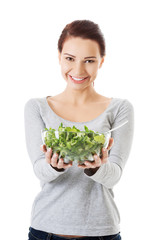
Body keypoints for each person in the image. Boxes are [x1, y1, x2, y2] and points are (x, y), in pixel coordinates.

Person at [24, 19, 134, 240]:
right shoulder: (37, 107)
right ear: (59, 57)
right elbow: (39, 169)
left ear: (101, 61)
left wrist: (96, 169)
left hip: (101, 232)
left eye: (89, 60)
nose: (78, 69)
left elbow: (114, 176)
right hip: (45, 231)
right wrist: (55, 167)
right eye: (70, 59)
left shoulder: (120, 109)